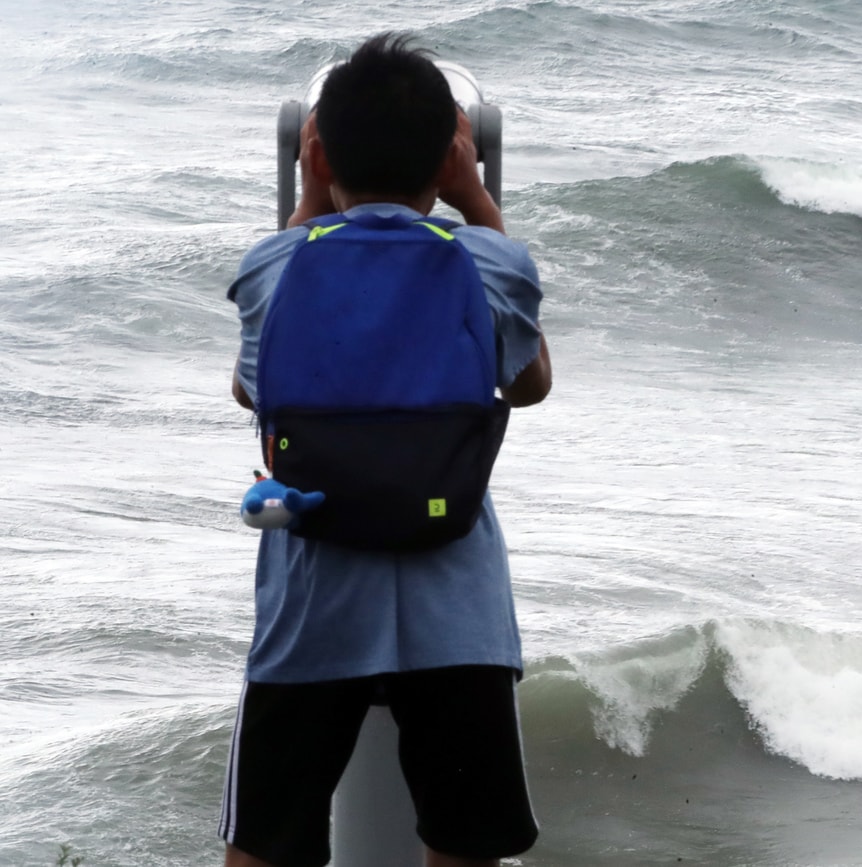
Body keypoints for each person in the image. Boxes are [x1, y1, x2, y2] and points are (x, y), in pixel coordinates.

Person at [220, 32, 550, 867]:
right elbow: (530, 380)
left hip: (313, 604)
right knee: (464, 842)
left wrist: (306, 197)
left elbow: (252, 390)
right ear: (448, 154)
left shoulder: (274, 265)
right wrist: (475, 199)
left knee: (265, 842)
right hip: (456, 610)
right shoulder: (490, 263)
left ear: (318, 149)